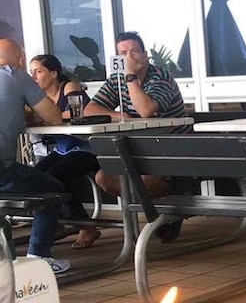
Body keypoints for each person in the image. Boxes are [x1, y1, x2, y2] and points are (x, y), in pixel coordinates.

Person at [85, 31, 188, 243]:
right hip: (138, 150)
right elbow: (90, 110)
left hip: (171, 151)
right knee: (103, 178)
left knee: (140, 179)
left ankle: (169, 209)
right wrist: (117, 115)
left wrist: (130, 76)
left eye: (134, 51)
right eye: (123, 53)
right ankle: (165, 212)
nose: (129, 57)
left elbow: (146, 111)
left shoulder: (161, 77)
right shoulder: (117, 79)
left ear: (145, 54)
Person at [0, 39, 70, 273]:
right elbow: (54, 117)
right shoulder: (15, 76)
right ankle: (38, 259)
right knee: (52, 189)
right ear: (20, 60)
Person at [29, 54, 101, 249]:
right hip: (63, 149)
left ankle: (84, 225)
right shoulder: (40, 97)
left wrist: (48, 116)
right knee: (35, 176)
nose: (34, 76)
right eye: (31, 72)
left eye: (39, 71)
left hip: (87, 147)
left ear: (53, 73)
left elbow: (79, 111)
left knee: (54, 176)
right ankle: (56, 221)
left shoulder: (69, 86)